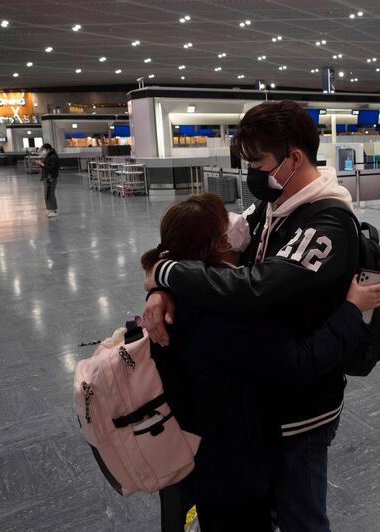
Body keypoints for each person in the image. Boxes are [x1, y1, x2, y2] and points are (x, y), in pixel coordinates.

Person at [143, 100, 364, 531]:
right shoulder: (272, 207)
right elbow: (208, 242)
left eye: (258, 161)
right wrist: (160, 283)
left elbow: (253, 290)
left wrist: (165, 271)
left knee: (301, 516)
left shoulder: (327, 223)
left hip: (304, 409)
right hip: (268, 398)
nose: (252, 173)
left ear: (293, 158)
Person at [35, 143, 60, 217]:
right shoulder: (48, 157)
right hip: (47, 177)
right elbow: (46, 167)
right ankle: (49, 209)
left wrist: (42, 164)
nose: (42, 151)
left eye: (43, 150)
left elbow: (52, 168)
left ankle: (53, 210)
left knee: (50, 193)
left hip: (51, 178)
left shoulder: (53, 157)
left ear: (48, 149)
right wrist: (40, 164)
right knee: (47, 194)